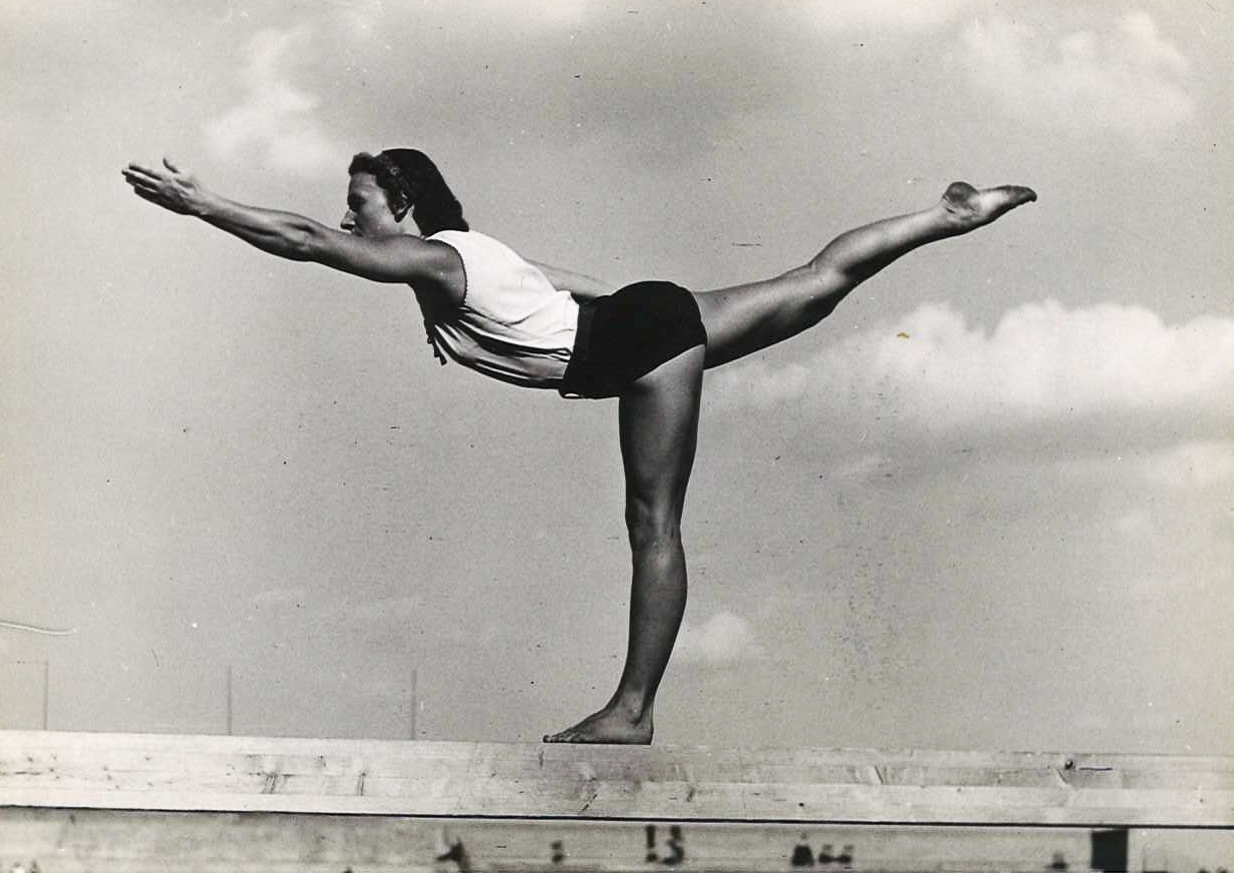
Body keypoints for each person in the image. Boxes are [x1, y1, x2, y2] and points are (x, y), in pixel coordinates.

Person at [122, 149, 1036, 744]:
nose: (350, 214)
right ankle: (943, 217)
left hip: (629, 345)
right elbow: (571, 289)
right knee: (811, 281)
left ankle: (631, 711)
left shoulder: (438, 258)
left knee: (653, 525)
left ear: (399, 200)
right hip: (632, 320)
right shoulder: (471, 251)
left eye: (360, 200)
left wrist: (205, 206)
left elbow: (306, 240)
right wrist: (641, 317)